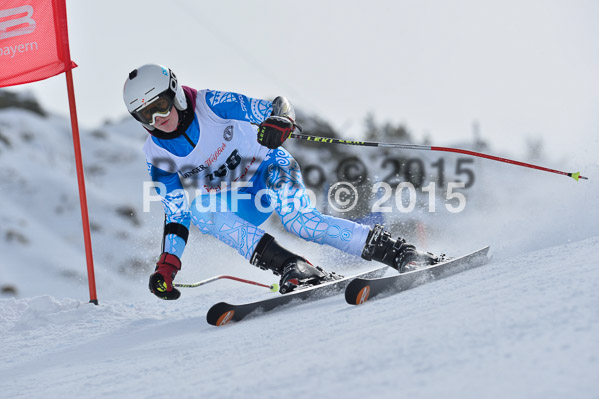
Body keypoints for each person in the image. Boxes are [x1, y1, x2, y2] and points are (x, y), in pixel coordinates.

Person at [122, 63, 438, 300]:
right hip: (239, 198)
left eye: (160, 106)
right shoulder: (156, 153)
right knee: (201, 210)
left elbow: (276, 106)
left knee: (301, 222)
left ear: (174, 94)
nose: (156, 120)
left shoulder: (210, 103)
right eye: (144, 116)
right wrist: (168, 265)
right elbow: (176, 213)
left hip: (270, 168)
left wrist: (280, 122)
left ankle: (399, 252)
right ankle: (295, 267)